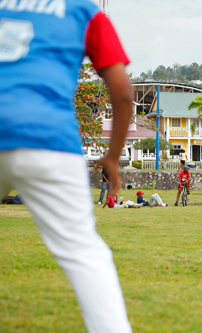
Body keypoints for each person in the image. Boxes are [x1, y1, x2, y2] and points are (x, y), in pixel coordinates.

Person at [0, 2, 133, 332]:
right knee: (83, 252)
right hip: (48, 137)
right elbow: (122, 92)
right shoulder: (83, 11)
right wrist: (112, 156)